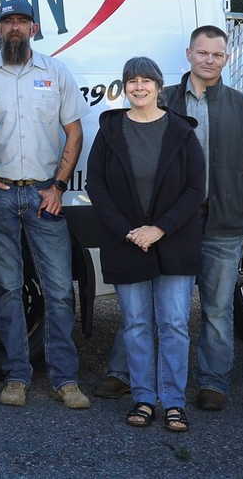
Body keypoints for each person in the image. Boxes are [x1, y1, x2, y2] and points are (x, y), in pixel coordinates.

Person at [93, 25, 243, 410]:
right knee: (144, 302)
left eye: (217, 54)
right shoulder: (164, 98)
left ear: (226, 59)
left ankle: (212, 381)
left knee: (217, 307)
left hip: (221, 222)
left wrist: (239, 200)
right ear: (189, 55)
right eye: (202, 53)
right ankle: (123, 374)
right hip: (168, 225)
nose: (209, 60)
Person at [0, 0, 90, 410]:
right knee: (7, 289)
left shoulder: (56, 73)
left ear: (34, 28)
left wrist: (58, 185)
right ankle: (16, 376)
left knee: (56, 290)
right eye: (8, 21)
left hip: (42, 197)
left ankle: (65, 380)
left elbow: (73, 133)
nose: (15, 27)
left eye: (22, 21)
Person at [86, 56, 205, 434]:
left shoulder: (181, 132)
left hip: (173, 241)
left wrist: (159, 229)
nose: (139, 87)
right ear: (125, 87)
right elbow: (97, 187)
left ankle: (173, 402)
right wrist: (128, 230)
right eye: (132, 81)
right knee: (136, 324)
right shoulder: (110, 131)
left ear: (158, 86)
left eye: (146, 80)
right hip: (126, 242)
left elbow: (194, 190)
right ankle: (142, 397)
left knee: (173, 324)